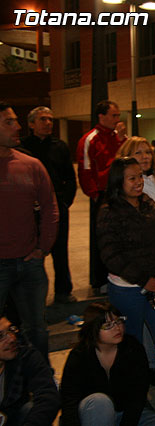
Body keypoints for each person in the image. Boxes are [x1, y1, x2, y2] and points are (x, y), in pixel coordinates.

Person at [96, 157, 155, 417]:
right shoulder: (109, 210)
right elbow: (111, 255)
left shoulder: (149, 204)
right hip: (127, 289)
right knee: (130, 347)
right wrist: (143, 278)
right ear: (119, 182)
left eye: (140, 176)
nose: (138, 182)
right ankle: (136, 396)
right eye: (132, 178)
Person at [0, 101, 59, 361]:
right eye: (8, 122)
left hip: (30, 263)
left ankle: (41, 381)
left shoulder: (31, 165)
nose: (18, 126)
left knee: (37, 329)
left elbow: (50, 208)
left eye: (16, 120)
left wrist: (42, 247)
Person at [60, 302, 155, 426]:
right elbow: (69, 400)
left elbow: (138, 394)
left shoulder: (132, 348)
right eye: (108, 325)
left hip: (125, 413)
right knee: (100, 401)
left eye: (118, 321)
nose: (117, 328)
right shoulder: (80, 356)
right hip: (90, 415)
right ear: (93, 329)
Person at [21, 106, 78, 304]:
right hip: (31, 209)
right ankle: (33, 296)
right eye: (43, 119)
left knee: (60, 250)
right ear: (31, 124)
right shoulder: (23, 147)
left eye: (50, 120)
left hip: (56, 206)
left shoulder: (60, 146)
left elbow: (70, 178)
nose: (48, 123)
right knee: (33, 251)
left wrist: (64, 202)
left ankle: (63, 291)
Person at [76, 100, 126, 293]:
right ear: (101, 116)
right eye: (114, 115)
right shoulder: (90, 139)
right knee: (103, 238)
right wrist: (94, 194)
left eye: (118, 116)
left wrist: (121, 140)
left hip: (121, 192)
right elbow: (85, 169)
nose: (117, 119)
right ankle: (101, 280)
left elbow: (126, 160)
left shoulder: (119, 137)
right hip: (103, 194)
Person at [0, 316, 60, 426]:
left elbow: (48, 395)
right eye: (0, 336)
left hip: (14, 420)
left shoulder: (25, 354)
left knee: (30, 409)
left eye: (11, 330)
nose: (11, 339)